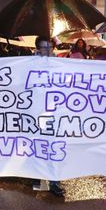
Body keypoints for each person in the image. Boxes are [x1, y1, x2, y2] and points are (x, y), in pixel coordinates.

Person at [32, 36, 65, 198]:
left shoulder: (59, 63)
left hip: (54, 111)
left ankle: (54, 181)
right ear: (37, 47)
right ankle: (37, 176)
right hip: (36, 111)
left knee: (54, 145)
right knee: (37, 145)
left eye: (50, 46)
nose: (47, 49)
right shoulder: (30, 63)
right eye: (43, 47)